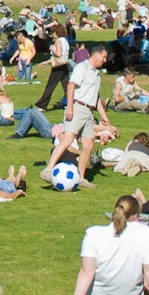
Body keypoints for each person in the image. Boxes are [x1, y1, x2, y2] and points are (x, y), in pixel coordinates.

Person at [41, 47, 111, 189]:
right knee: (68, 139)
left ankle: (81, 177)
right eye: (104, 57)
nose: (105, 60)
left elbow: (96, 97)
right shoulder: (82, 67)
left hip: (89, 112)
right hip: (78, 108)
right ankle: (48, 170)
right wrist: (70, 107)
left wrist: (103, 115)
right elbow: (71, 86)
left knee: (88, 145)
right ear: (95, 55)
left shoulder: (96, 74)